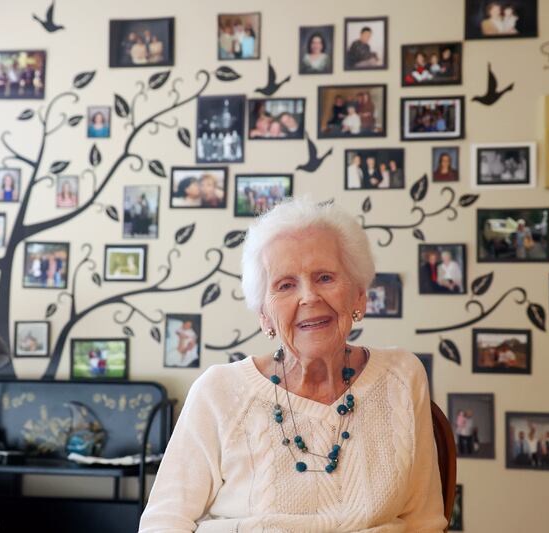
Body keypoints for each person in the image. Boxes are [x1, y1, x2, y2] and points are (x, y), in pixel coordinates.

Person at [139, 198, 446, 531]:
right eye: (285, 285)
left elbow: (424, 521)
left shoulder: (401, 376)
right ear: (264, 315)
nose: (309, 297)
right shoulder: (220, 391)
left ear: (359, 295)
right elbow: (164, 522)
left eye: (325, 277)